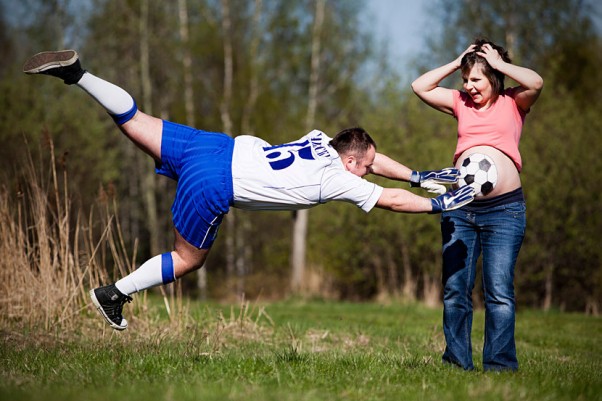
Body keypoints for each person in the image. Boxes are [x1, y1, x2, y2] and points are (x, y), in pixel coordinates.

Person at [23, 49, 475, 331]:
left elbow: (374, 161)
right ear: (352, 162)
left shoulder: (322, 139)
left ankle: (79, 74)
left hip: (214, 147)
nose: (368, 173)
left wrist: (417, 175)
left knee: (136, 119)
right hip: (216, 183)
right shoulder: (339, 178)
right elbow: (388, 198)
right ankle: (113, 294)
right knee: (188, 258)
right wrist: (438, 203)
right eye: (365, 168)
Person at [411, 38, 544, 371]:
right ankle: (457, 362)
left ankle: (499, 365)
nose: (469, 86)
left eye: (476, 79)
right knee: (456, 290)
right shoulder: (460, 103)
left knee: (498, 291)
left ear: (494, 78)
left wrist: (498, 63)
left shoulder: (515, 101)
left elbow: (536, 81)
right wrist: (459, 61)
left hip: (504, 212)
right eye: (466, 79)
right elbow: (420, 86)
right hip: (460, 210)